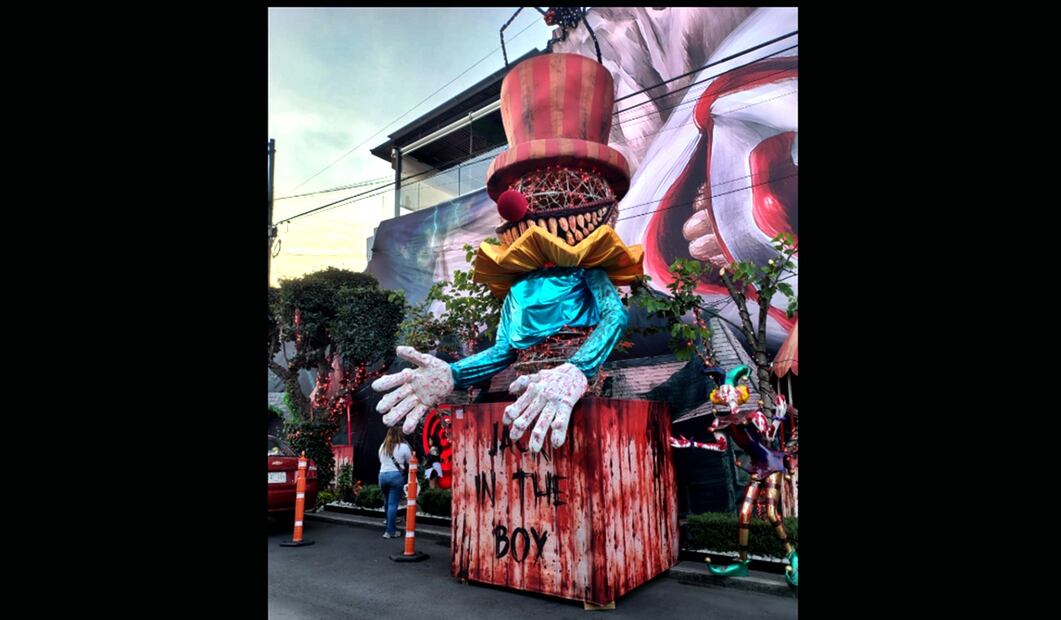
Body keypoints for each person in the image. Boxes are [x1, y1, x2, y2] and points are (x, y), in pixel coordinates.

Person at [377, 425, 411, 538]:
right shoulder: (404, 447)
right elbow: (411, 462)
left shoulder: (383, 447)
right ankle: (390, 531)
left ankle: (388, 521)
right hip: (396, 476)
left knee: (387, 501)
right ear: (399, 435)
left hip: (382, 476)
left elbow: (380, 460)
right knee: (393, 504)